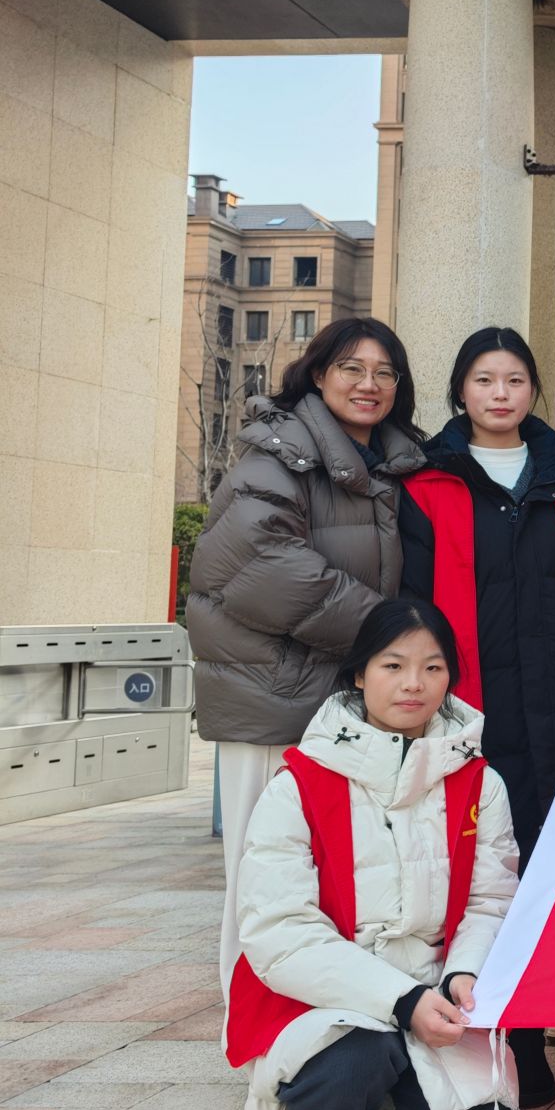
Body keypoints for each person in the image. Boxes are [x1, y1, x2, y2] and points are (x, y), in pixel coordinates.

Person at [231, 601, 519, 1110]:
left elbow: (491, 900)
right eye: (393, 665)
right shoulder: (299, 783)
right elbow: (279, 930)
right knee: (350, 1060)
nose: (414, 683)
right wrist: (399, 1000)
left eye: (433, 667)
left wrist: (463, 972)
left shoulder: (480, 783)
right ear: (359, 674)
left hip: (433, 988)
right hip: (323, 994)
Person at [188, 318, 428, 1034]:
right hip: (271, 700)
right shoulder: (279, 453)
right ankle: (254, 1038)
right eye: (352, 368)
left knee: (330, 879)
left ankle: (323, 1034)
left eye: (384, 372)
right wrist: (389, 635)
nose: (368, 384)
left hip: (335, 700)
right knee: (264, 883)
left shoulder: (389, 464)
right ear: (318, 374)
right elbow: (260, 566)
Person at [399, 327, 555, 1099]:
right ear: (461, 390)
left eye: (514, 380)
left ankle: (531, 1036)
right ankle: (470, 1032)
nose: (500, 393)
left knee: (544, 869)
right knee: (476, 874)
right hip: (470, 713)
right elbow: (414, 605)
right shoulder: (427, 485)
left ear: (532, 391)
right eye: (484, 379)